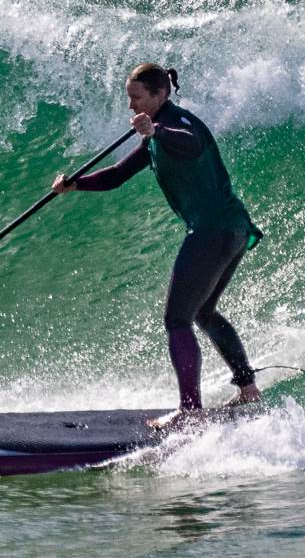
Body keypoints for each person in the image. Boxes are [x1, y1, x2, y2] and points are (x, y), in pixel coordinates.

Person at [52, 62, 262, 428]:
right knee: (203, 312)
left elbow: (189, 141)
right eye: (129, 98)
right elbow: (117, 175)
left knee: (177, 319)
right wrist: (76, 184)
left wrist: (157, 130)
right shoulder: (154, 135)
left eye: (137, 98)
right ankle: (248, 390)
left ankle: (190, 411)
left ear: (160, 95)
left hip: (213, 230)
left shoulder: (178, 123)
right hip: (232, 229)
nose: (131, 105)